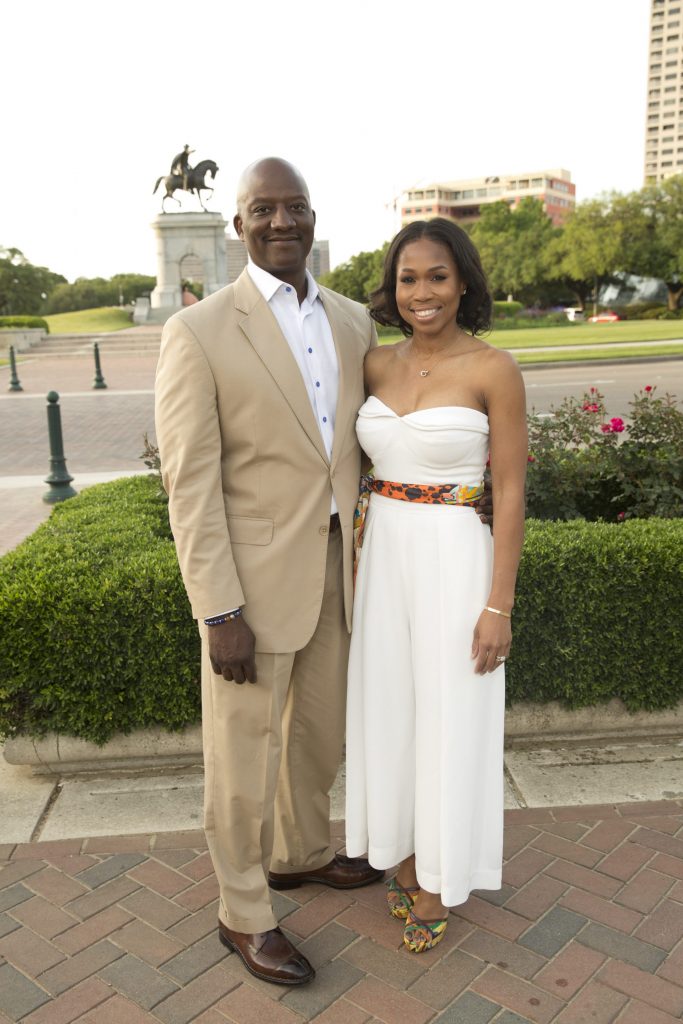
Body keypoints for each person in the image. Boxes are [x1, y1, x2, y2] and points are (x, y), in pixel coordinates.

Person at [154, 157, 384, 988]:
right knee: (243, 753)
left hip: (339, 568)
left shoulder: (354, 320)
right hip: (250, 581)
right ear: (238, 224)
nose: (281, 222)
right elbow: (190, 481)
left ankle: (298, 853)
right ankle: (243, 910)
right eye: (263, 209)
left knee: (320, 734)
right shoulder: (200, 330)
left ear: (312, 216)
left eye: (294, 208)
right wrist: (218, 610)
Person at [344, 218, 527, 953]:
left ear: (463, 284)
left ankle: (437, 878)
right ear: (392, 289)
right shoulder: (373, 366)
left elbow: (509, 492)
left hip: (456, 558)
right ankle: (404, 848)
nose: (422, 292)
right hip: (382, 559)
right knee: (392, 711)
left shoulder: (493, 369)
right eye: (408, 279)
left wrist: (498, 605)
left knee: (451, 714)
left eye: (437, 277)